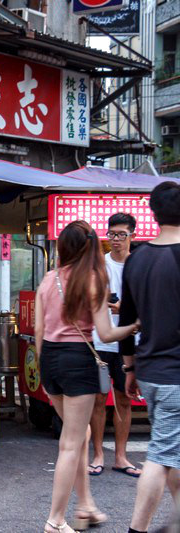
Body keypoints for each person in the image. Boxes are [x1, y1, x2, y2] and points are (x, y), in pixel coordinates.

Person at [34, 220, 138, 533]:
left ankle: (86, 507)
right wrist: (135, 326)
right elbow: (106, 332)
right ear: (89, 247)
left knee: (76, 441)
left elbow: (39, 330)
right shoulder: (93, 280)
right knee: (71, 443)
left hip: (50, 360)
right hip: (78, 360)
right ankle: (55, 520)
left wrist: (45, 367)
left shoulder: (48, 279)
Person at [120, 182, 180, 533]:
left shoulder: (137, 259)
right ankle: (137, 529)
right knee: (160, 456)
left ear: (153, 214)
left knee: (172, 449)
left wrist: (129, 368)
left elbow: (127, 319)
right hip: (176, 374)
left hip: (150, 370)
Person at [88, 213, 141, 479]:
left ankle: (120, 456)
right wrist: (111, 306)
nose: (116, 240)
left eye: (121, 234)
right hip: (100, 339)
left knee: (124, 398)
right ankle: (98, 454)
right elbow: (91, 298)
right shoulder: (100, 265)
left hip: (130, 341)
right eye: (111, 234)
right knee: (98, 398)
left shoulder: (140, 264)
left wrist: (128, 309)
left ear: (133, 234)